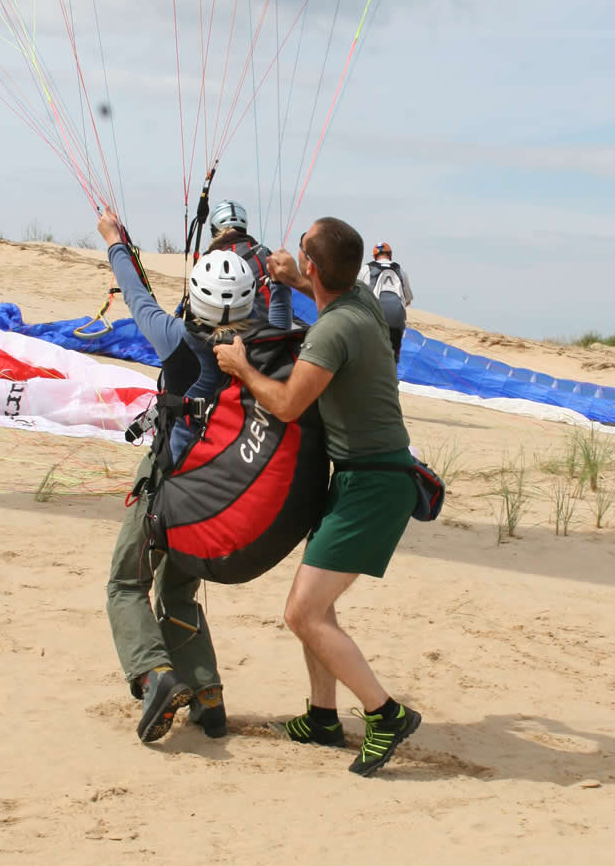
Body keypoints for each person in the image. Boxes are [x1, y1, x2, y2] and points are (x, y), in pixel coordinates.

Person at [213, 216, 422, 778]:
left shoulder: (331, 331)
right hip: (358, 478)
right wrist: (295, 279)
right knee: (318, 605)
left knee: (301, 613)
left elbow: (286, 404)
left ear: (311, 263)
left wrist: (240, 366)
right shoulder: (363, 301)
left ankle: (385, 714)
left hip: (373, 486)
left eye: (302, 250)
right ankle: (323, 718)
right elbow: (326, 287)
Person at [98, 206, 292, 745]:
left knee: (126, 582)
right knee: (178, 592)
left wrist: (114, 240)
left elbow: (136, 295)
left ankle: (154, 676)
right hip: (215, 495)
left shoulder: (176, 339)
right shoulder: (265, 346)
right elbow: (280, 316)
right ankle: (207, 698)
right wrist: (280, 284)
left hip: (167, 484)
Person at [206, 199, 273, 312]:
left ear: (214, 231)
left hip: (246, 318)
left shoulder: (217, 259)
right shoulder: (265, 252)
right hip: (279, 318)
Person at [358, 240, 413, 364]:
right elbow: (407, 300)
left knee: (371, 356)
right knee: (393, 358)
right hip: (396, 318)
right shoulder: (400, 270)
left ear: (375, 256)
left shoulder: (366, 269)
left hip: (375, 317)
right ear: (390, 254)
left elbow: (357, 296)